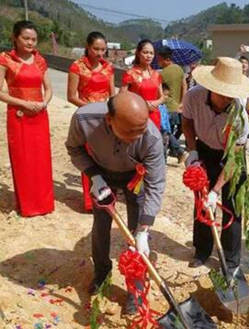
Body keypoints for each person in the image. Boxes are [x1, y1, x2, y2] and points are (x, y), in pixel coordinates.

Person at [65, 92, 166, 314]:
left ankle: (136, 290)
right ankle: (102, 274)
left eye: (140, 130)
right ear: (109, 120)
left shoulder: (151, 137)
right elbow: (74, 148)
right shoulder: (84, 119)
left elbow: (156, 185)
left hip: (135, 176)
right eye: (129, 132)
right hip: (101, 173)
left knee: (137, 233)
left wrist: (144, 228)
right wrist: (93, 175)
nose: (136, 137)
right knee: (100, 227)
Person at [182, 57, 249, 271]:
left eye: (231, 95)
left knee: (232, 206)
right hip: (204, 150)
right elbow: (187, 122)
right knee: (202, 204)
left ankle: (231, 259)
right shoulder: (193, 97)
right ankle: (202, 251)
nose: (227, 99)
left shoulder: (239, 114)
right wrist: (192, 150)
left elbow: (234, 158)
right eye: (222, 93)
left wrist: (215, 190)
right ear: (211, 87)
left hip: (231, 157)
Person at [0, 20, 54, 217]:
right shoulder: (6, 59)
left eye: (34, 39)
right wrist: (23, 103)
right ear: (15, 38)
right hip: (19, 115)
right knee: (23, 159)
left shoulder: (40, 60)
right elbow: (0, 92)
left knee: (41, 160)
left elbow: (48, 89)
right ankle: (28, 206)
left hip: (40, 115)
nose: (31, 43)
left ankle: (44, 203)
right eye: (26, 38)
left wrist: (44, 102)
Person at [67, 31, 115, 212]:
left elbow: (112, 95)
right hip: (86, 119)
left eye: (103, 49)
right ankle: (90, 202)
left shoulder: (108, 68)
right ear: (88, 47)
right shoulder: (77, 67)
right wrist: (91, 111)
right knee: (88, 158)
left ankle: (108, 196)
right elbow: (71, 96)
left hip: (106, 119)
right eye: (96, 49)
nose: (100, 53)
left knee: (106, 156)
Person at [121, 39, 164, 130]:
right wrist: (142, 104)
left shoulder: (156, 75)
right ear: (138, 53)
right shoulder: (131, 73)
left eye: (151, 53)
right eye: (145, 52)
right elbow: (121, 97)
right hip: (136, 115)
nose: (149, 56)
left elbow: (162, 97)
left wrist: (155, 103)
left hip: (154, 116)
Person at [157, 46, 187, 148]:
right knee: (174, 131)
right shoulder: (179, 69)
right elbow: (184, 86)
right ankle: (176, 149)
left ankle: (177, 150)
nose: (158, 62)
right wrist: (182, 102)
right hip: (178, 107)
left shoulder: (161, 74)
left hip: (166, 107)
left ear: (165, 59)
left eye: (159, 59)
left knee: (165, 132)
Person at [158, 83, 186, 163]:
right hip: (163, 131)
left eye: (167, 95)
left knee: (164, 148)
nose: (166, 97)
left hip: (165, 131)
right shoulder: (160, 106)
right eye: (165, 95)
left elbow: (165, 119)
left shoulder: (163, 106)